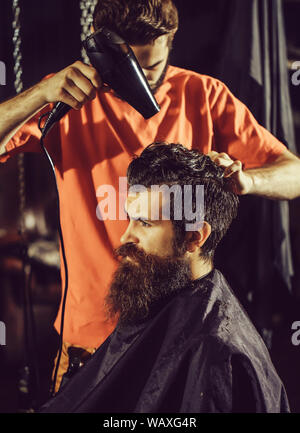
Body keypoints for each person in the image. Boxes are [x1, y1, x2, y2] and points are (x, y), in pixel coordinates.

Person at [0, 0, 299, 392]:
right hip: (88, 346)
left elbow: (294, 173)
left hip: (178, 344)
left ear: (171, 44)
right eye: (127, 69)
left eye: (152, 67)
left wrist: (249, 181)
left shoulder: (204, 95)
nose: (139, 80)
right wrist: (39, 94)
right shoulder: (69, 100)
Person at [39, 142, 290, 413]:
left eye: (145, 223)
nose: (125, 237)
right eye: (130, 219)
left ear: (194, 237)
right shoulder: (155, 289)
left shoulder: (215, 350)